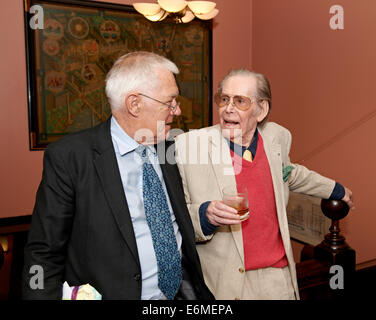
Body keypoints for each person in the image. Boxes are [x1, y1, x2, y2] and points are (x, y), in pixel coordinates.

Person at [22, 51, 214, 300]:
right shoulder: (71, 157)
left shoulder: (170, 147)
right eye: (170, 102)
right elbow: (43, 252)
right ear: (134, 104)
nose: (176, 111)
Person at [174, 69, 354, 300]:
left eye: (240, 101)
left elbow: (289, 173)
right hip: (223, 284)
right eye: (224, 99)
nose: (228, 108)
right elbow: (174, 215)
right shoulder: (188, 146)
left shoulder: (277, 136)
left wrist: (336, 189)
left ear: (262, 110)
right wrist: (205, 215)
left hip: (277, 279)